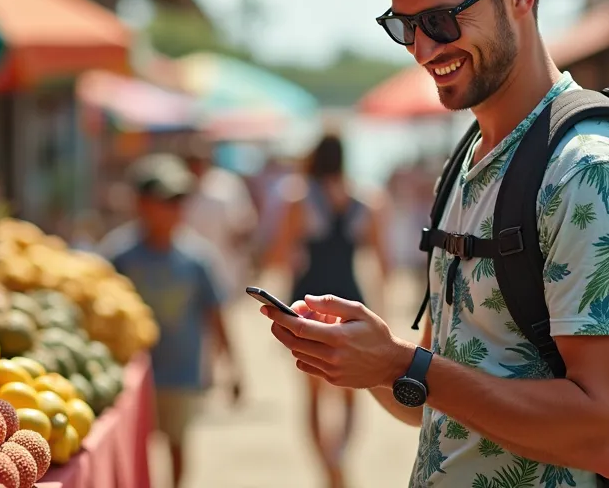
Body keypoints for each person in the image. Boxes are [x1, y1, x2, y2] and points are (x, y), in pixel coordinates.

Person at [259, 0, 609, 487]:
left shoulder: (588, 173)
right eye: (403, 27)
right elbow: (441, 400)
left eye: (442, 19)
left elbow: (608, 435)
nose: (423, 50)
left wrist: (405, 361)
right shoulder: (473, 159)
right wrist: (369, 361)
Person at [95, 154, 242, 488]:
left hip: (181, 374)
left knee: (177, 444)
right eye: (165, 202)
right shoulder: (120, 254)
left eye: (179, 202)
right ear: (141, 204)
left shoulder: (196, 257)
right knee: (137, 448)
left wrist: (232, 367)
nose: (174, 210)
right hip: (132, 375)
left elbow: (215, 313)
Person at [266, 133, 393, 488]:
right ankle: (340, 458)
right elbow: (384, 263)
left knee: (311, 392)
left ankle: (328, 470)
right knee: (354, 389)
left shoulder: (299, 198)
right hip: (350, 301)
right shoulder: (366, 200)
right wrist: (381, 313)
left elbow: (278, 255)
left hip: (307, 303)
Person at [181, 138, 259, 295]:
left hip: (224, 270)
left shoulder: (227, 186)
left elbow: (246, 224)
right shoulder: (177, 188)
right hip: (185, 274)